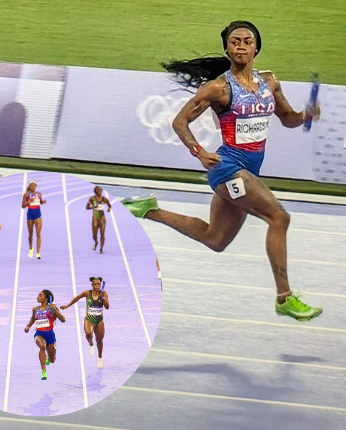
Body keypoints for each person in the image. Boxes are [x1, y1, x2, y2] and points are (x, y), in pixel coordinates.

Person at [121, 21, 322, 322]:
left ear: (256, 48)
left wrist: (306, 115)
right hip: (227, 169)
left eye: (247, 41)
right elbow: (179, 122)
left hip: (248, 172)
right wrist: (199, 152)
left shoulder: (269, 82)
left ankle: (148, 210)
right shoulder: (218, 88)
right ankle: (285, 298)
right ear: (227, 49)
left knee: (215, 239)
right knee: (279, 218)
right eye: (234, 41)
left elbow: (289, 119)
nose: (241, 45)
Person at [61, 277, 109, 368]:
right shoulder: (87, 293)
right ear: (92, 285)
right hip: (89, 319)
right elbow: (77, 298)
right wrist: (67, 306)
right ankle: (91, 344)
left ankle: (100, 357)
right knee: (88, 334)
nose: (97, 286)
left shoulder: (104, 293)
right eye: (95, 284)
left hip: (99, 320)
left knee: (99, 340)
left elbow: (107, 307)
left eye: (98, 284)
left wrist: (103, 298)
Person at [25, 289, 65, 380]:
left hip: (50, 336)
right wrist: (28, 326)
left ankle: (49, 359)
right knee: (42, 345)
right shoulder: (35, 309)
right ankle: (43, 371)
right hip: (39, 334)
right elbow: (33, 318)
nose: (37, 297)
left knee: (52, 360)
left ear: (46, 298)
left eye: (40, 295)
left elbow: (63, 320)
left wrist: (55, 310)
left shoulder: (52, 309)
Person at [21, 180, 46, 259]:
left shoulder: (39, 194)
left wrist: (43, 202)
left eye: (34, 185)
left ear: (36, 186)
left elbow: (40, 202)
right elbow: (22, 206)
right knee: (30, 234)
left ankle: (38, 253)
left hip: (38, 215)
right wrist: (29, 202)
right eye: (31, 185)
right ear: (29, 186)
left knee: (38, 234)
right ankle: (31, 248)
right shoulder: (26, 194)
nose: (33, 187)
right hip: (30, 215)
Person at [86, 186, 112, 253]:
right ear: (95, 190)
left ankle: (101, 249)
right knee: (94, 235)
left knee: (102, 233)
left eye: (100, 189)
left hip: (102, 217)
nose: (99, 190)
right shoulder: (92, 198)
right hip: (95, 216)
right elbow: (87, 207)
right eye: (97, 189)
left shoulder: (105, 199)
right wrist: (93, 207)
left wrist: (109, 208)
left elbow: (110, 205)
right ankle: (96, 242)